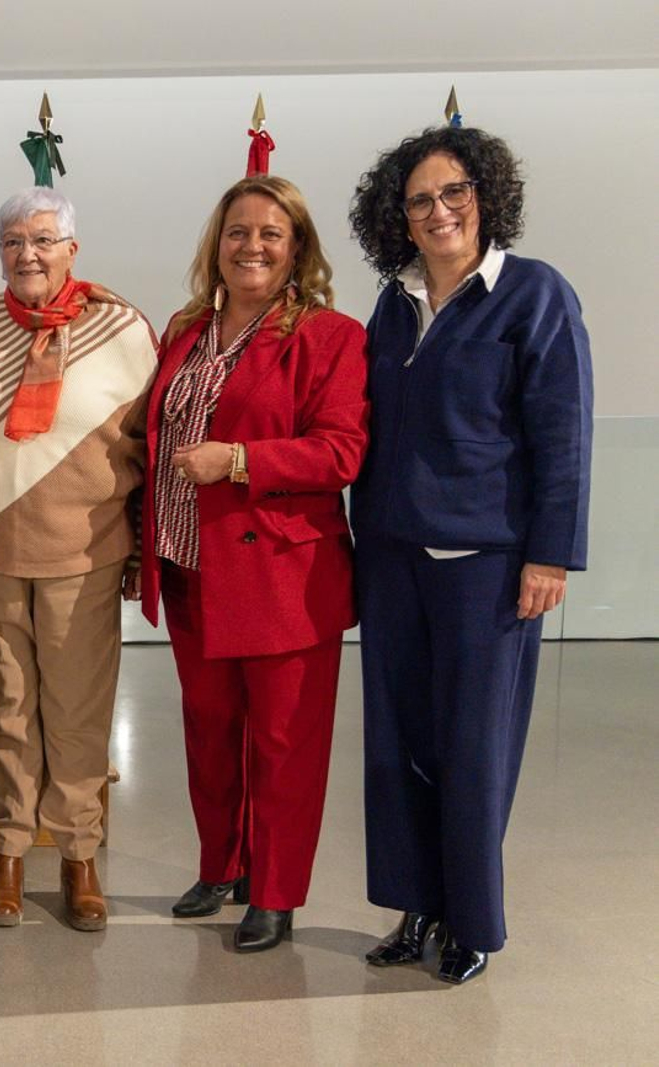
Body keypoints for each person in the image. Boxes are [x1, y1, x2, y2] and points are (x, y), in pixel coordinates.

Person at [348, 125, 592, 985]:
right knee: (397, 743)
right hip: (389, 558)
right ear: (400, 219)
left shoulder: (533, 295)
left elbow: (562, 435)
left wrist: (550, 555)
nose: (440, 210)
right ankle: (415, 905)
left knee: (473, 746)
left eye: (456, 193)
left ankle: (473, 922)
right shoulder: (392, 301)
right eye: (420, 200)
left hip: (487, 563)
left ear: (486, 199)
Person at [134, 174, 368, 953]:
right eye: (238, 231)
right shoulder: (186, 329)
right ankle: (222, 865)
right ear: (217, 244)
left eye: (271, 232)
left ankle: (274, 892)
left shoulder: (329, 336)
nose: (252, 245)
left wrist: (238, 459)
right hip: (189, 567)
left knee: (282, 743)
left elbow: (341, 451)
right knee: (209, 731)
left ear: (297, 246)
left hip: (281, 579)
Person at [0, 187, 157, 931]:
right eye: (12, 240)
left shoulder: (123, 327)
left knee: (77, 713)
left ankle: (78, 855)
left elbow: (150, 448)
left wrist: (141, 548)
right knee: (6, 709)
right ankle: (7, 850)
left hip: (86, 550)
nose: (27, 253)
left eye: (43, 239)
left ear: (73, 247)